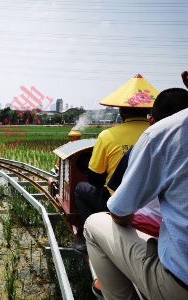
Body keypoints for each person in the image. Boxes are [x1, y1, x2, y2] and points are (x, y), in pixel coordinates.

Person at [84, 86, 188, 300]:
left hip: (177, 280)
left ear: (122, 113)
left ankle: (103, 285)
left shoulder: (158, 135)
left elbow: (98, 182)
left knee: (94, 220)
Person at [73, 74, 156, 255]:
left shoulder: (107, 135)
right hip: (154, 207)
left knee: (80, 188)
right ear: (149, 109)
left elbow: (94, 178)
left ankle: (91, 239)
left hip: (119, 206)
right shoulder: (158, 133)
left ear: (122, 112)